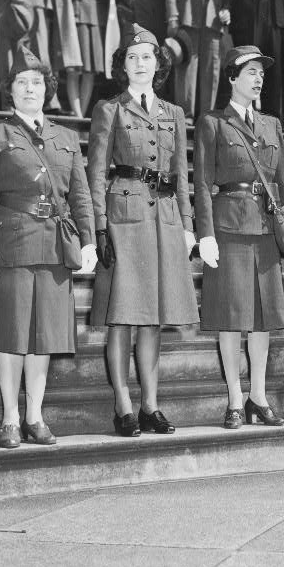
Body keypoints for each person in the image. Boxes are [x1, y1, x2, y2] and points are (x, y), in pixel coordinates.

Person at [0, 46, 97, 447]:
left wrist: (89, 239)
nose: (29, 88)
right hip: (11, 243)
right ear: (11, 90)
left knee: (44, 335)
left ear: (47, 89)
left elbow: (81, 196)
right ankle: (9, 417)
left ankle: (35, 415)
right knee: (10, 334)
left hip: (55, 244)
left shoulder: (67, 137)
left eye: (36, 82)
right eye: (22, 82)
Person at [87, 25, 198, 436]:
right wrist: (98, 228)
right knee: (122, 317)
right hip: (125, 217)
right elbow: (96, 173)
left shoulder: (174, 114)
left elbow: (180, 175)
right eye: (132, 58)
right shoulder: (109, 109)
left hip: (164, 219)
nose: (140, 64)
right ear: (123, 66)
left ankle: (151, 404)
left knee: (152, 317)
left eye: (147, 57)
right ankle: (123, 404)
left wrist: (187, 226)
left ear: (158, 64)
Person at [194, 46, 284, 428]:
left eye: (261, 73)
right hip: (229, 228)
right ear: (231, 79)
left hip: (266, 230)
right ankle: (235, 399)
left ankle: (258, 394)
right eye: (251, 72)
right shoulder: (213, 123)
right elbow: (203, 183)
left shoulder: (272, 125)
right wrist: (203, 233)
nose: (258, 79)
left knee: (262, 318)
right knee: (230, 316)